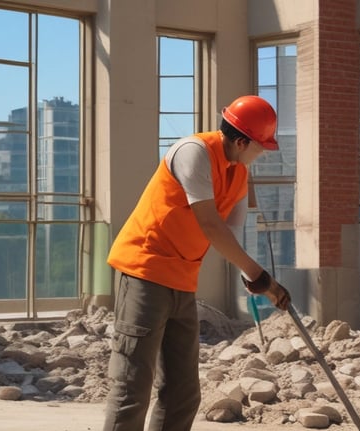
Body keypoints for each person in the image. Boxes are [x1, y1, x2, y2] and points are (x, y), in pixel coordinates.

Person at [103, 95, 291, 431]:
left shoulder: (239, 174)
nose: (262, 153)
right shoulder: (194, 152)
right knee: (132, 387)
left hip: (182, 282)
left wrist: (258, 283)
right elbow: (211, 225)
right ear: (241, 140)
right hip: (145, 272)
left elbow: (231, 237)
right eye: (261, 146)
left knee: (183, 392)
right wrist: (259, 276)